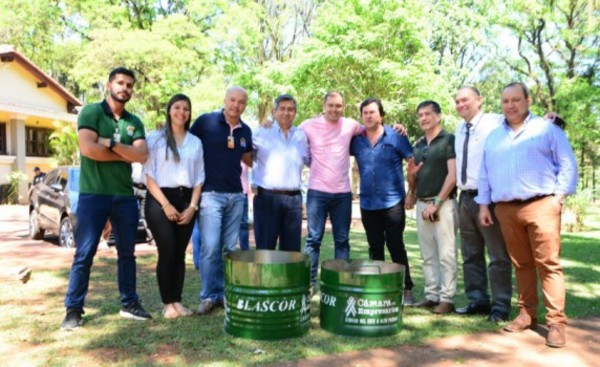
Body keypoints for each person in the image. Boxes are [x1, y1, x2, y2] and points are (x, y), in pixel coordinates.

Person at [477, 82, 578, 348]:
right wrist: (485, 205)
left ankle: (556, 322)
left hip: (542, 203)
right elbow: (485, 173)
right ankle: (527, 314)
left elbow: (567, 163)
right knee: (521, 263)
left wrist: (558, 198)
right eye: (505, 101)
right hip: (506, 208)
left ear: (528, 100)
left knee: (548, 263)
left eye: (516, 100)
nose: (510, 105)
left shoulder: (547, 129)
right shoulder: (494, 137)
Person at [61, 67, 151, 331]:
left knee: (127, 253)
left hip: (124, 195)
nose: (125, 88)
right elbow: (88, 149)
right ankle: (73, 310)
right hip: (94, 194)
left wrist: (109, 144)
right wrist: (125, 153)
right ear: (109, 85)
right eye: (120, 83)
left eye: (129, 85)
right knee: (85, 253)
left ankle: (129, 303)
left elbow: (142, 156)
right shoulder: (91, 112)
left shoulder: (134, 121)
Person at [189, 86, 252, 315]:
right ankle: (208, 295)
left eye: (241, 102)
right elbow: (187, 144)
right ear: (225, 99)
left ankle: (223, 294)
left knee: (227, 248)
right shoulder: (206, 122)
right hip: (210, 195)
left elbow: (249, 158)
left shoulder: (246, 131)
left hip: (236, 195)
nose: (236, 105)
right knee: (210, 247)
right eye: (233, 100)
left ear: (245, 105)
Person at [453, 86, 512, 322]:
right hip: (464, 198)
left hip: (487, 198)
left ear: (479, 100)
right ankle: (477, 300)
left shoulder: (495, 121)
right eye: (457, 101)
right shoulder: (459, 129)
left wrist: (548, 119)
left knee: (497, 256)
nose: (460, 105)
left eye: (465, 100)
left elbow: (523, 119)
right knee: (470, 254)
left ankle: (500, 306)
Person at [144, 94, 204, 319]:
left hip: (186, 199)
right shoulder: (155, 139)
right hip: (160, 199)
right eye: (177, 107)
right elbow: (149, 176)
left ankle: (177, 301)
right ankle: (167, 303)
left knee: (180, 254)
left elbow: (199, 178)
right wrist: (166, 205)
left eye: (186, 109)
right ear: (169, 110)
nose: (182, 112)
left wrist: (192, 207)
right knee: (167, 251)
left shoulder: (195, 142)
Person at [350, 98, 415, 305]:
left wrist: (412, 191)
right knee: (374, 247)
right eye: (365, 113)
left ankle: (406, 289)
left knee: (396, 245)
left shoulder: (396, 135)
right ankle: (379, 288)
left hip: (393, 202)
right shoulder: (356, 139)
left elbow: (412, 162)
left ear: (381, 115)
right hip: (368, 203)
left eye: (372, 112)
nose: (368, 116)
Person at [300, 91, 363, 288]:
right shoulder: (308, 125)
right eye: (331, 105)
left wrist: (395, 128)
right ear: (324, 105)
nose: (335, 109)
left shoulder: (350, 125)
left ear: (343, 107)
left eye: (339, 106)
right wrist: (269, 124)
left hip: (343, 193)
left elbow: (372, 128)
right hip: (317, 192)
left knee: (342, 240)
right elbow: (288, 132)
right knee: (314, 239)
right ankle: (309, 283)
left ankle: (339, 282)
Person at [405, 100, 458, 314]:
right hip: (421, 203)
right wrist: (411, 188)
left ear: (438, 116)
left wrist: (437, 203)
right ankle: (431, 295)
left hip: (443, 204)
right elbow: (414, 177)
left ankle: (447, 298)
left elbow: (452, 176)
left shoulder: (448, 140)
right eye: (420, 115)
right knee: (427, 254)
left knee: (446, 253)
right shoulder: (418, 145)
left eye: (428, 114)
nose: (424, 118)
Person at [252, 94, 309, 251]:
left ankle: (288, 277)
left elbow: (310, 161)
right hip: (267, 199)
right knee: (265, 248)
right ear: (274, 111)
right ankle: (263, 277)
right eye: (282, 109)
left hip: (294, 200)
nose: (286, 113)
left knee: (291, 252)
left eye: (291, 109)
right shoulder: (259, 134)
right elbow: (244, 158)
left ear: (295, 112)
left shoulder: (301, 136)